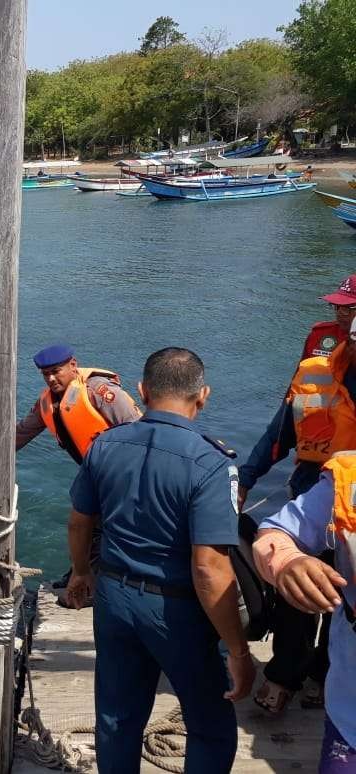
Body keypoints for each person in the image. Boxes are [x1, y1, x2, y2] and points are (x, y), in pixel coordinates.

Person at [66, 347, 254, 772]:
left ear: (141, 390)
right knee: (208, 722)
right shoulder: (210, 462)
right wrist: (239, 650)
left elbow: (79, 522)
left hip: (113, 599)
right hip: (178, 610)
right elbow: (209, 567)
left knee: (116, 718)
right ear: (202, 395)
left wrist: (81, 572)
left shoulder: (105, 445)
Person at [238, 317, 356, 713]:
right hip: (312, 503)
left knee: (345, 600)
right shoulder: (314, 377)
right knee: (298, 596)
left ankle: (323, 676)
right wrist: (246, 478)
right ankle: (284, 674)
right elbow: (279, 435)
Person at [252, 458, 356, 774]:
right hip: (350, 711)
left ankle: (313, 679)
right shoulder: (347, 479)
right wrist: (286, 561)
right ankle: (289, 678)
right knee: (306, 608)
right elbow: (277, 531)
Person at [16, 345, 141, 464]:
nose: (51, 379)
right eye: (46, 374)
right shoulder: (46, 403)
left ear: (73, 365)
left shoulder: (97, 390)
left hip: (124, 467)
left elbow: (139, 428)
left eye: (56, 371)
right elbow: (21, 433)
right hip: (93, 470)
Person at [302, 275, 356, 359]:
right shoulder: (319, 335)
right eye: (336, 306)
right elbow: (302, 370)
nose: (339, 313)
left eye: (346, 308)